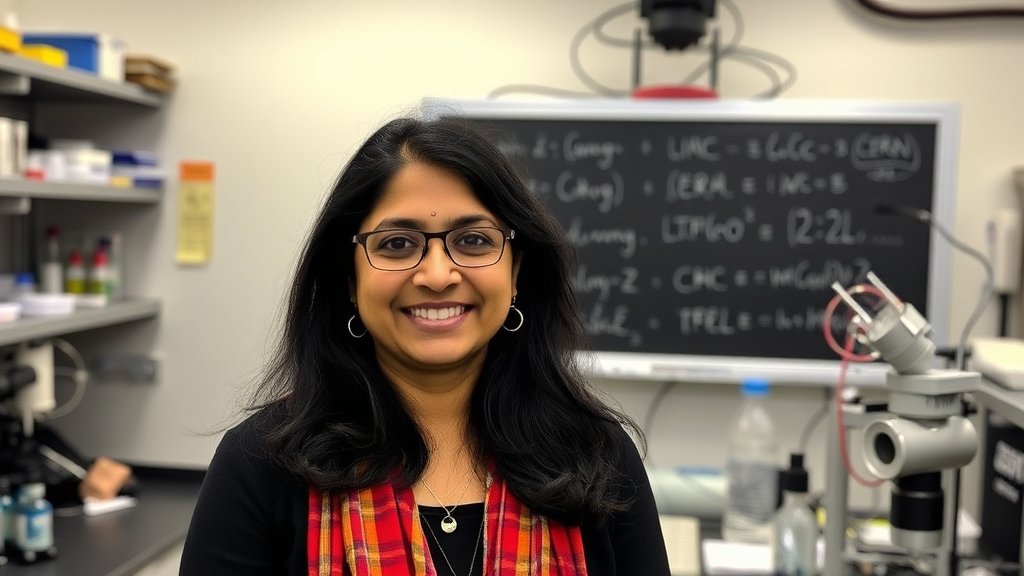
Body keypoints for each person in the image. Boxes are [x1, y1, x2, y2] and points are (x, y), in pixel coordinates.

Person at [178, 114, 671, 576]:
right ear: (349, 279)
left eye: (473, 241)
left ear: (516, 270)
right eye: (397, 244)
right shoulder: (260, 465)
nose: (437, 275)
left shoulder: (599, 457)